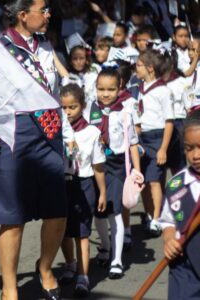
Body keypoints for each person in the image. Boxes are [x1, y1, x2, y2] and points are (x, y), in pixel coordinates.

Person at [0, 1, 76, 298]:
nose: (49, 13)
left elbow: (55, 92)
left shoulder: (47, 46)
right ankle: (9, 288)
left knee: (57, 211)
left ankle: (46, 267)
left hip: (49, 132)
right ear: (23, 15)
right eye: (43, 8)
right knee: (13, 218)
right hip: (15, 132)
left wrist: (70, 131)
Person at [89, 68, 143, 279]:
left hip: (116, 165)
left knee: (115, 212)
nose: (105, 94)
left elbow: (132, 144)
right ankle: (104, 246)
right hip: (95, 165)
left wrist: (136, 171)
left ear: (120, 87)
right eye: (101, 89)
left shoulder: (125, 112)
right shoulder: (89, 110)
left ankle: (117, 259)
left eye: (111, 89)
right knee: (98, 212)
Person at [57, 84, 107, 297]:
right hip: (61, 183)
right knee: (61, 229)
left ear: (83, 106)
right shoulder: (56, 131)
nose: (68, 112)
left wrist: (102, 192)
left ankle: (83, 275)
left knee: (82, 232)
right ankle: (70, 264)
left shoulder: (92, 132)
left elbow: (98, 166)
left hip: (83, 183)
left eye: (73, 107)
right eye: (64, 107)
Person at [159, 109, 200, 299]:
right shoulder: (176, 185)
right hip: (186, 268)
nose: (195, 155)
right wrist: (168, 239)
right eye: (189, 148)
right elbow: (168, 221)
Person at [137, 49, 174, 237]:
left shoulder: (163, 90)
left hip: (157, 137)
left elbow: (169, 122)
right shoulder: (139, 88)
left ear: (150, 68)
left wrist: (163, 149)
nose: (136, 68)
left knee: (153, 180)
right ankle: (149, 214)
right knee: (142, 181)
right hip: (141, 137)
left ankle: (157, 219)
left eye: (139, 65)